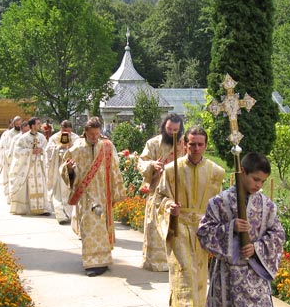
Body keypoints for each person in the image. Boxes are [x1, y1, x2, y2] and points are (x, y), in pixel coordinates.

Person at [197, 152, 290, 307]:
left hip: (254, 275)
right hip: (226, 275)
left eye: (262, 181)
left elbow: (277, 234)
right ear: (243, 173)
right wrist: (230, 229)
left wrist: (257, 247)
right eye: (255, 179)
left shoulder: (266, 205)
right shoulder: (219, 202)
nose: (259, 185)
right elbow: (204, 232)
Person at [154, 126, 225, 307]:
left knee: (200, 276)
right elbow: (159, 199)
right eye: (191, 144)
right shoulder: (171, 170)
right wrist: (169, 208)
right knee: (184, 272)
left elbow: (219, 205)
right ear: (185, 144)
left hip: (203, 229)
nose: (195, 148)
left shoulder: (215, 172)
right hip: (180, 226)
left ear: (206, 145)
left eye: (200, 144)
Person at [61, 117, 125, 277]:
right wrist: (69, 169)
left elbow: (114, 169)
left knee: (102, 228)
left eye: (97, 134)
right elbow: (66, 170)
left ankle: (103, 260)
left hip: (103, 195)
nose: (95, 137)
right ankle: (92, 263)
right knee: (89, 228)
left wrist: (117, 192)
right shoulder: (76, 149)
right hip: (86, 196)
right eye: (92, 134)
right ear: (85, 132)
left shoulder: (107, 147)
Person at [138, 113, 185, 272]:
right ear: (164, 126)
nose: (172, 132)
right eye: (169, 129)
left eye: (176, 130)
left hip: (176, 191)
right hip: (157, 190)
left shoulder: (184, 144)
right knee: (155, 225)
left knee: (175, 226)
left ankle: (174, 262)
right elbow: (141, 162)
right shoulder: (153, 143)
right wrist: (152, 165)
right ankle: (155, 262)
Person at [8, 117, 51, 215]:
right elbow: (17, 151)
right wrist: (31, 151)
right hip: (27, 167)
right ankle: (27, 208)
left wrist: (42, 151)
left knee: (41, 185)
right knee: (27, 187)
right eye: (38, 124)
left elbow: (47, 149)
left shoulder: (41, 137)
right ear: (32, 125)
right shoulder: (23, 138)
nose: (40, 125)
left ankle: (42, 209)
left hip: (39, 167)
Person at [45, 120, 80, 224]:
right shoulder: (54, 138)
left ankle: (69, 214)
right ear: (61, 129)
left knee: (69, 191)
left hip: (70, 170)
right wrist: (59, 148)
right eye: (65, 131)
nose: (67, 133)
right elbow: (48, 150)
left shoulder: (76, 138)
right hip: (58, 169)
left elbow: (79, 151)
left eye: (69, 131)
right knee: (58, 193)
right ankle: (61, 216)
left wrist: (69, 149)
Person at [0, 116, 22, 197]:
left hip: (21, 159)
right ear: (13, 124)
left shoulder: (23, 133)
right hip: (10, 158)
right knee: (10, 177)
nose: (18, 126)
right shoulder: (9, 134)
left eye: (19, 124)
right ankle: (9, 194)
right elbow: (6, 147)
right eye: (16, 124)